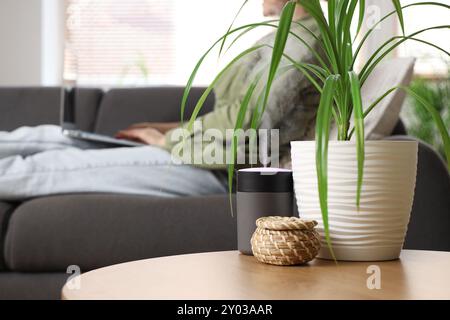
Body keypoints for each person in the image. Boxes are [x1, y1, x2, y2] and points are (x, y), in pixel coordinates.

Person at [0, 0, 321, 200]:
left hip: (213, 167)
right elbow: (234, 113)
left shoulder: (305, 41)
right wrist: (163, 128)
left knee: (47, 168)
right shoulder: (282, 36)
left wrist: (167, 138)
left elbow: (250, 118)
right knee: (50, 136)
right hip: (200, 151)